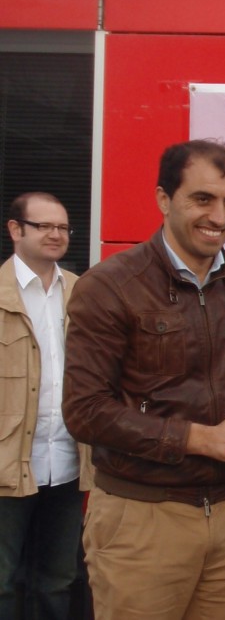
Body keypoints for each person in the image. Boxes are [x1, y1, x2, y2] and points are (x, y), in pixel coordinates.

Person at [62, 140, 225, 619]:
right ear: (164, 199)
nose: (220, 216)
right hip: (140, 518)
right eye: (202, 199)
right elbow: (85, 411)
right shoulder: (109, 286)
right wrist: (197, 439)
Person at [1, 193, 92, 619]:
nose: (56, 235)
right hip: (7, 464)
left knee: (58, 581)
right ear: (15, 230)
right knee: (2, 582)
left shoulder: (82, 292)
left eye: (63, 227)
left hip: (68, 464)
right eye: (44, 226)